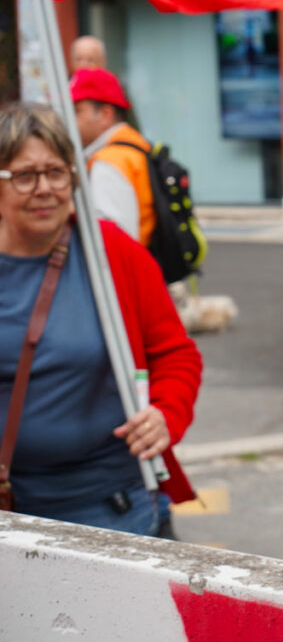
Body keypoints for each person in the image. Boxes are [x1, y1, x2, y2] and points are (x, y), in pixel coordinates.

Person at [0, 102, 201, 536]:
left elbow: (176, 355)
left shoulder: (113, 253)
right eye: (25, 175)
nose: (44, 188)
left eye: (57, 172)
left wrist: (165, 413)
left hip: (116, 505)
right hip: (12, 508)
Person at [69, 67, 154, 246]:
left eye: (77, 111)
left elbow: (114, 243)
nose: (70, 120)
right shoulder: (136, 146)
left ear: (105, 115)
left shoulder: (108, 163)